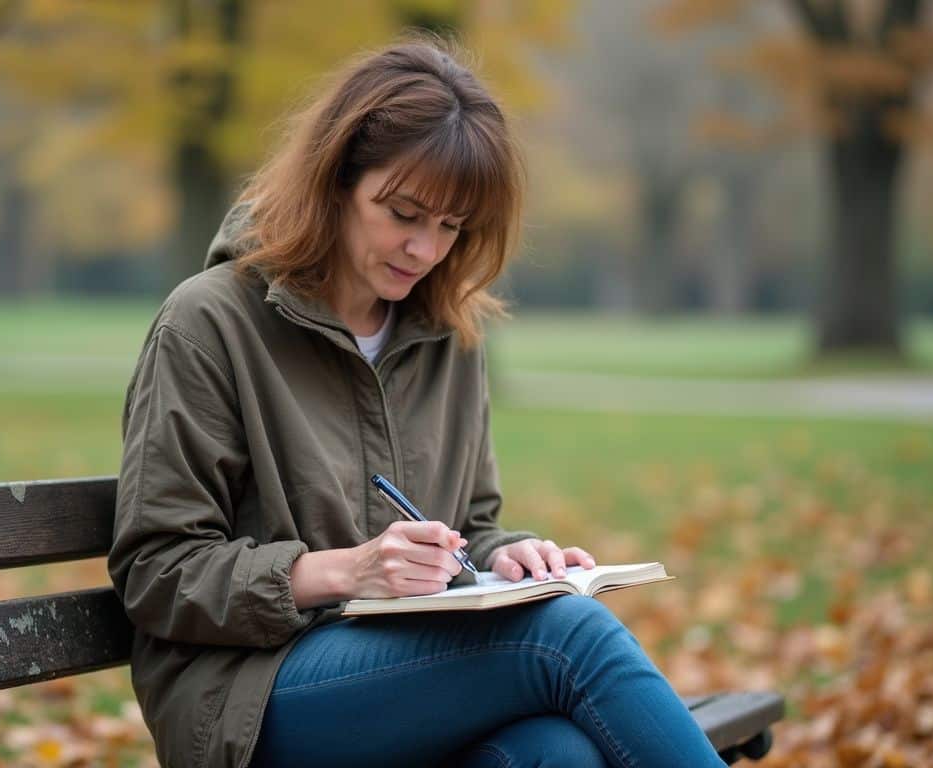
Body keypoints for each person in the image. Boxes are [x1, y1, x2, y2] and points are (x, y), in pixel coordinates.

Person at [108, 37, 727, 768]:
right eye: (402, 213)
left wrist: (510, 557)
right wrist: (344, 571)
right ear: (335, 181)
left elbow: (469, 527)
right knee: (567, 636)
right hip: (248, 694)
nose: (424, 251)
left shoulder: (447, 335)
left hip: (407, 672)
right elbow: (158, 571)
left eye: (450, 227)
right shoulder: (209, 323)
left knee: (558, 753)